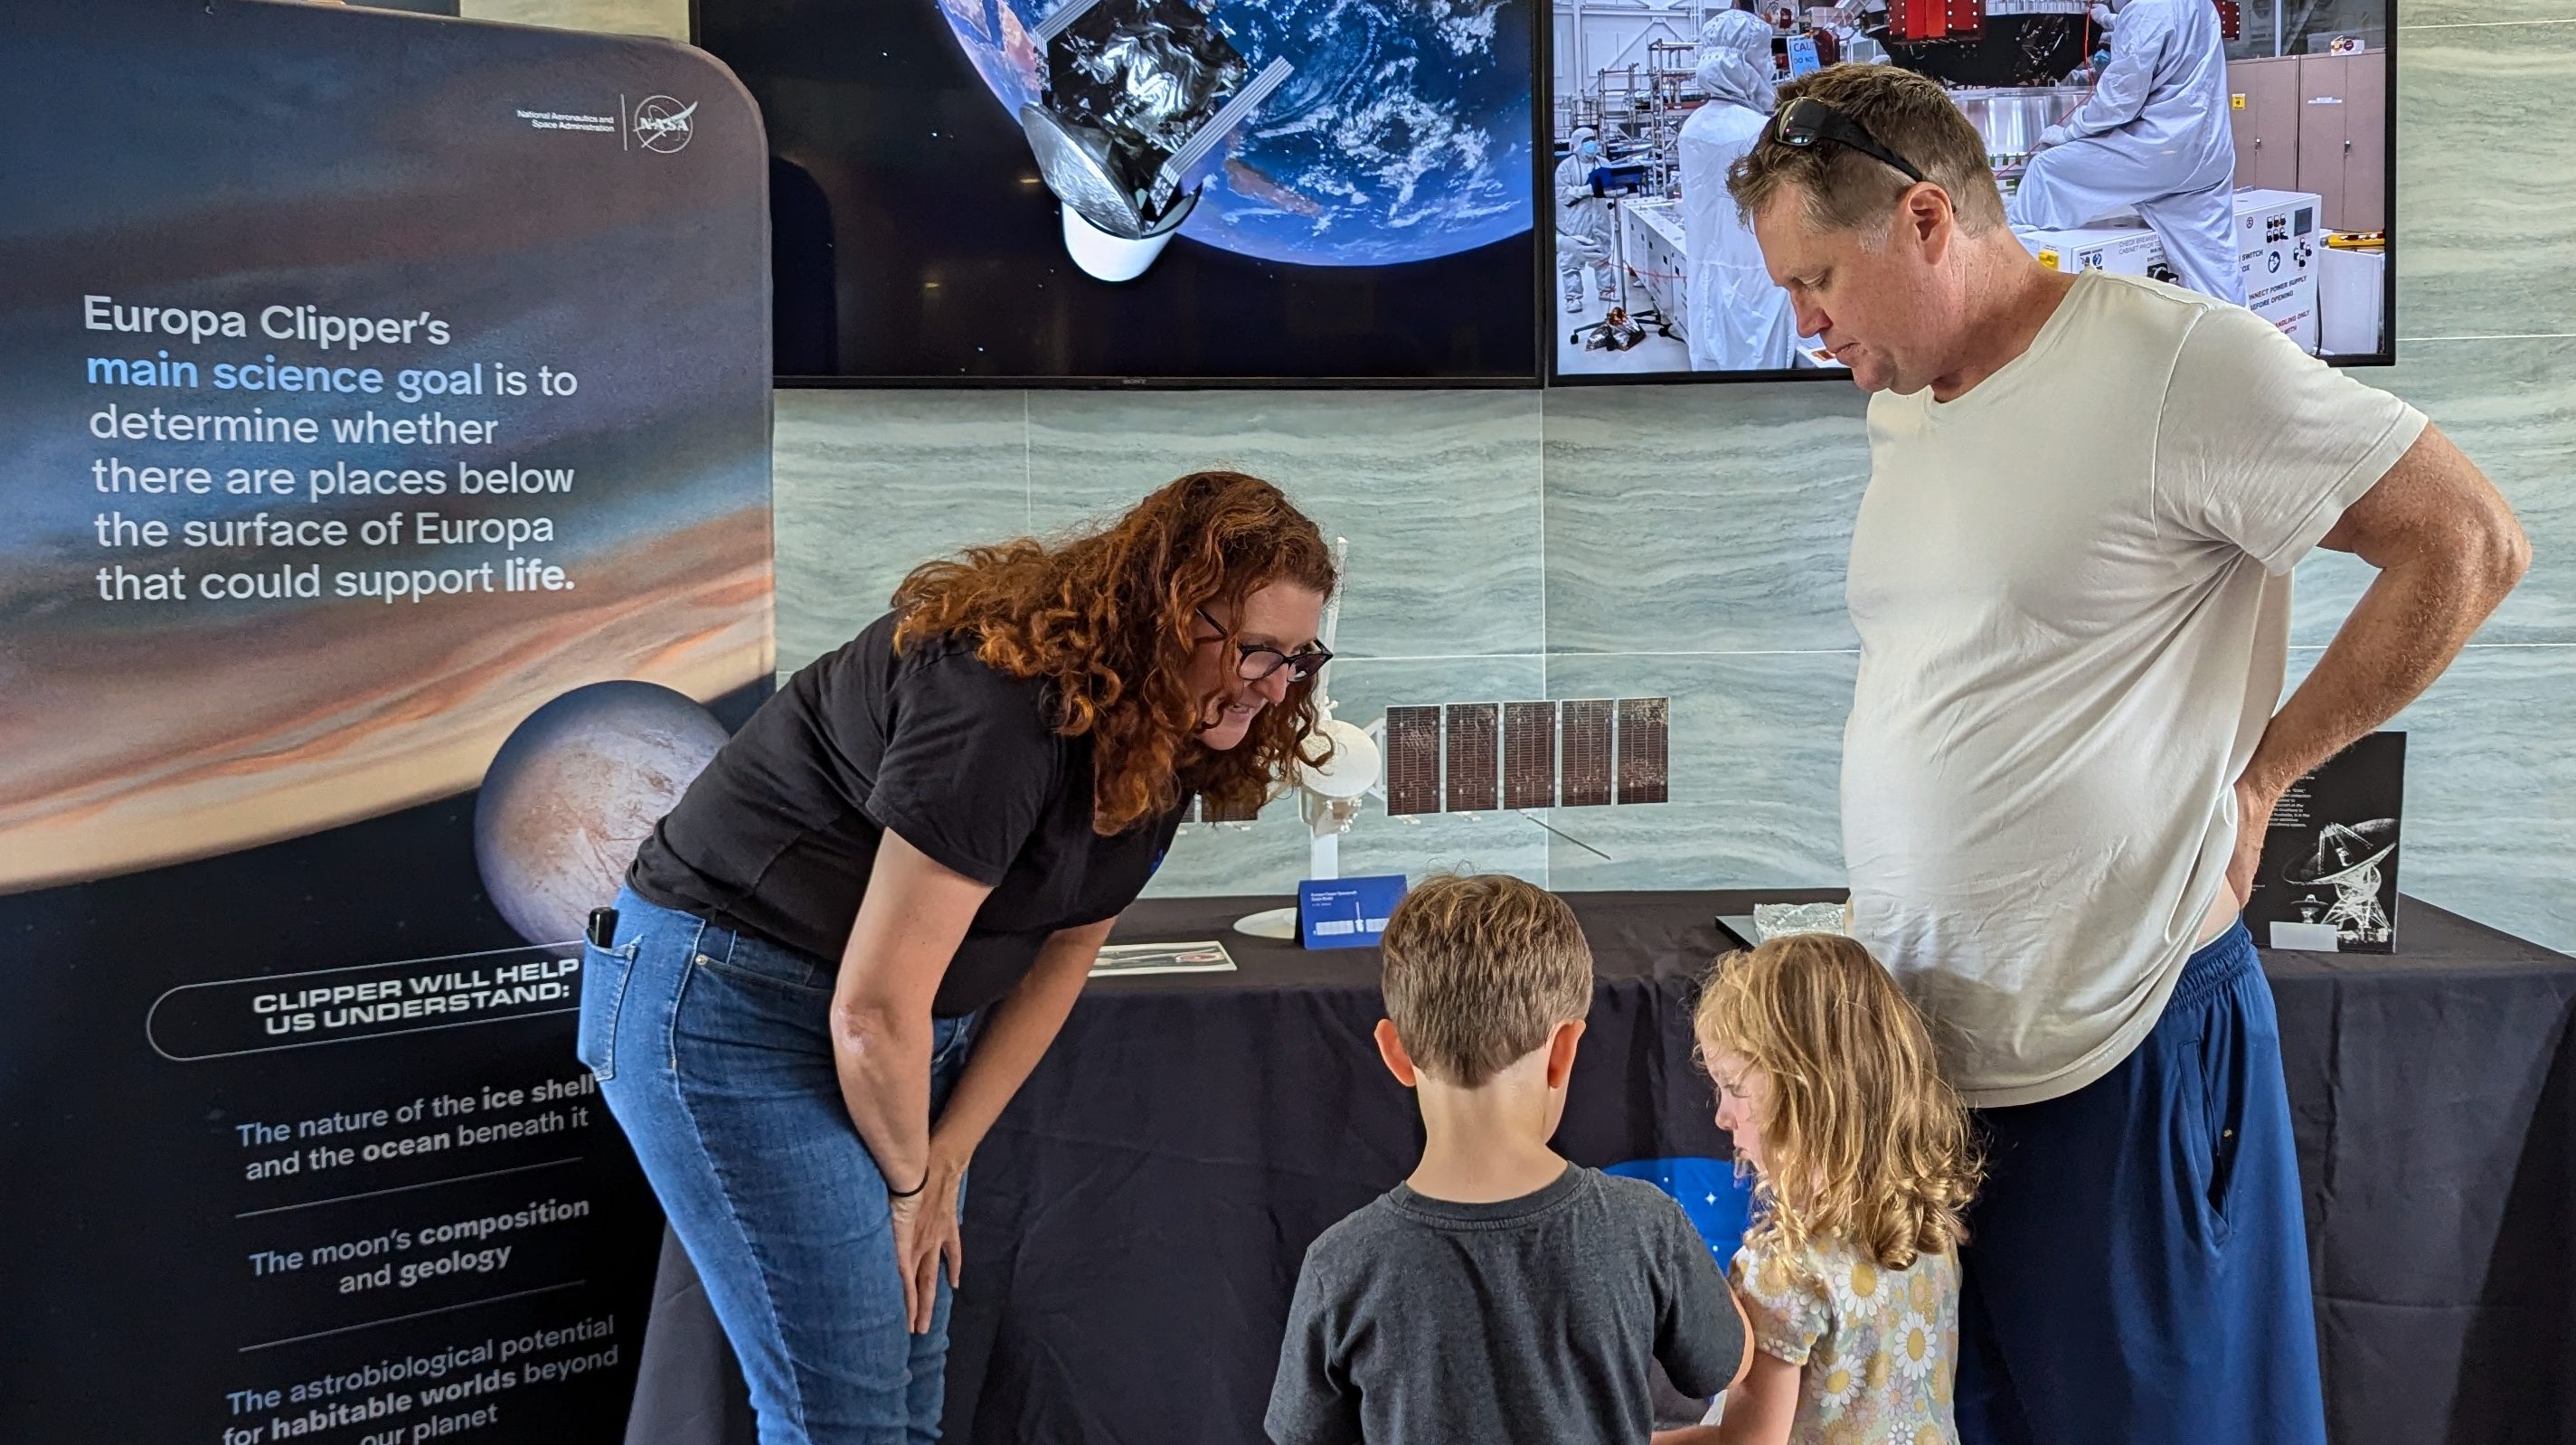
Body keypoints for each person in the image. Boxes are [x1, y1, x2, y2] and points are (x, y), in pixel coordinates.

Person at [1725, 65, 2528, 1445]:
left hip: (2126, 1039)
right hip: (1933, 1072)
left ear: (1926, 221)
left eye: (1818, 281)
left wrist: (2269, 771)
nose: (1803, 324)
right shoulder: (1906, 406)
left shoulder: (2174, 365)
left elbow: (2466, 541)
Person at [581, 471, 1340, 1445]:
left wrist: (947, 1155)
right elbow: (872, 1010)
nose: (1274, 684)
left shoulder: (1159, 735)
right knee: (843, 1410)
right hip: (728, 1010)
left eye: (1296, 656)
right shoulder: (999, 705)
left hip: (895, 1038)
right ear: (1161, 614)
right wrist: (910, 1184)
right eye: (1252, 647)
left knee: (909, 1380)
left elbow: (1062, 956)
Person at [1265, 874, 1751, 1445]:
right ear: (1564, 1051)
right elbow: (1727, 1366)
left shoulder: (1341, 1265)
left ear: (1396, 1053)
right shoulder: (1645, 1225)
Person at [1655, 933, 1981, 1445]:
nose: (1721, 1115)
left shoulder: (1783, 1270)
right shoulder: (1925, 1229)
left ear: (1809, 1096)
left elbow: (1744, 1443)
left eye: (1735, 1087)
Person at [2007, 0, 2244, 305]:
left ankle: (2018, 299)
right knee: (2215, 271)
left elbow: (2119, 101)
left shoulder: (2145, 9)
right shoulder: (2201, 5)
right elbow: (2163, 28)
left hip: (2160, 152)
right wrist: (2110, 21)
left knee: (2046, 173)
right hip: (2209, 155)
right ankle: (2237, 345)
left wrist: (2069, 133)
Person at [1680, 11, 1804, 370]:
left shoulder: (1692, 127)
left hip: (1708, 278)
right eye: (1764, 56)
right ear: (1741, 63)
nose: (1769, 66)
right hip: (1759, 283)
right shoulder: (1758, 131)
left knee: (1715, 366)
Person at [1557, 125, 1618, 313]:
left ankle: (1607, 289)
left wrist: (1617, 189)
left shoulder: (1603, 162)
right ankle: (1573, 297)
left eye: (1593, 139)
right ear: (1576, 145)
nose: (1592, 144)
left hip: (1600, 216)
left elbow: (1613, 182)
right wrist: (1585, 190)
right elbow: (1561, 193)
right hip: (1576, 219)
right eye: (1586, 141)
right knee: (1572, 259)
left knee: (1602, 253)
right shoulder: (1566, 167)